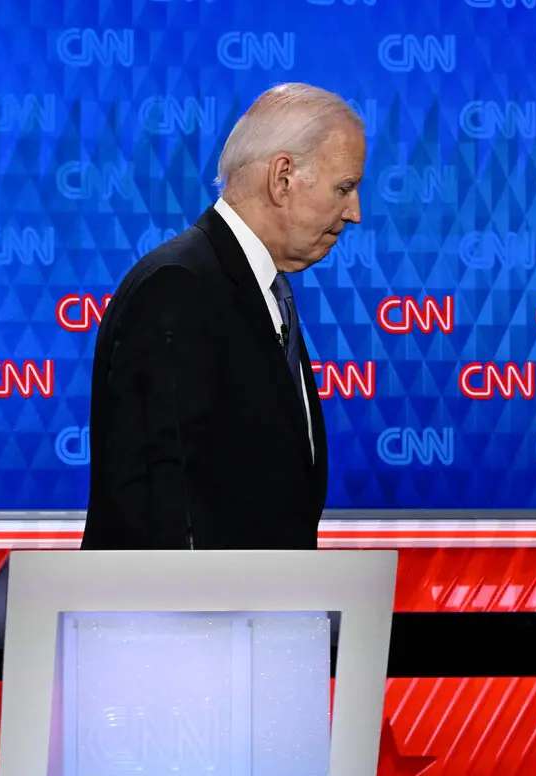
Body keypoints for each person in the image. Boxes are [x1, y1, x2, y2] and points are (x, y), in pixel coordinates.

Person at [81, 83, 366, 550]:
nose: (354, 212)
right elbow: (164, 514)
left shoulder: (259, 288)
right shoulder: (177, 287)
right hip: (189, 619)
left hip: (256, 615)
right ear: (283, 178)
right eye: (345, 188)